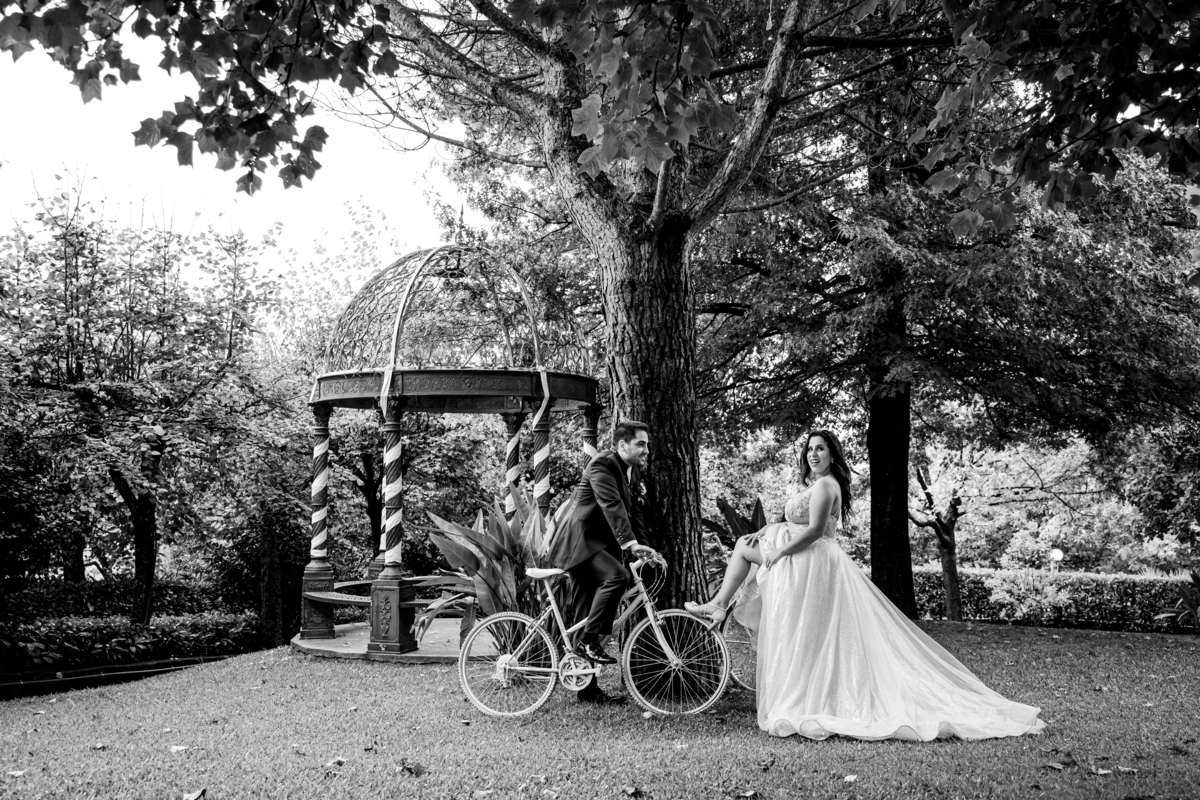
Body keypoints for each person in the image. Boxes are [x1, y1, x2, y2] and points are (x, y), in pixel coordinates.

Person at [686, 429, 1044, 741]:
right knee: (772, 587)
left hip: (808, 560)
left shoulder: (826, 485)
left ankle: (719, 606)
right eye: (809, 449)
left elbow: (815, 530)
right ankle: (719, 605)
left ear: (833, 455)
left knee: (749, 558)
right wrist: (768, 530)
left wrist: (779, 552)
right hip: (804, 559)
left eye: (821, 448)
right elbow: (795, 521)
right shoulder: (816, 484)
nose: (813, 454)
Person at [550, 419, 661, 703]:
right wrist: (629, 543)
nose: (646, 450)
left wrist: (644, 547)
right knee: (617, 577)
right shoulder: (602, 464)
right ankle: (588, 642)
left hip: (596, 547)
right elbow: (611, 505)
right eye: (641, 444)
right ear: (622, 445)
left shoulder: (631, 471)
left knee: (586, 615)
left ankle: (586, 690)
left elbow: (634, 513)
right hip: (579, 545)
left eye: (647, 445)